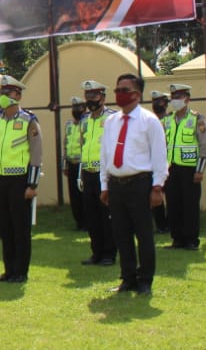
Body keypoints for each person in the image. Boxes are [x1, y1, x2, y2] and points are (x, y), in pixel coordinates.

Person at [100, 73, 168, 296]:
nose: (119, 94)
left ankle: (145, 280)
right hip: (117, 184)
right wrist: (105, 185)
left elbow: (159, 156)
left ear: (137, 95)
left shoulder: (149, 121)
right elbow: (105, 155)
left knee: (143, 234)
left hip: (140, 183)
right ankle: (127, 278)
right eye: (117, 89)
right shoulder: (111, 122)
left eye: (125, 90)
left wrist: (157, 186)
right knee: (121, 233)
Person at [0, 76, 42, 283]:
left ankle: (20, 272)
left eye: (9, 93)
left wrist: (32, 184)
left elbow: (36, 153)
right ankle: (8, 270)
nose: (4, 97)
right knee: (5, 227)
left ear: (18, 95)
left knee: (20, 228)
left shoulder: (28, 120)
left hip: (19, 180)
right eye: (3, 92)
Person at [162, 83, 206, 251]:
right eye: (173, 97)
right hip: (171, 169)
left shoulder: (196, 119)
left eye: (179, 97)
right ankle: (177, 239)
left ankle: (191, 240)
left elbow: (204, 147)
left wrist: (200, 170)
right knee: (173, 204)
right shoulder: (167, 119)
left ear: (187, 99)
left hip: (190, 169)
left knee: (190, 205)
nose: (175, 101)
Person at [78, 80, 117, 266]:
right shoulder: (85, 120)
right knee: (92, 217)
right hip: (88, 172)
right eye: (87, 96)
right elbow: (82, 145)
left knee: (107, 216)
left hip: (106, 174)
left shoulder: (112, 118)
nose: (90, 99)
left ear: (102, 97)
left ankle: (109, 253)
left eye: (94, 95)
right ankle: (96, 252)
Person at [148, 90, 170, 234]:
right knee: (156, 194)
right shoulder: (150, 121)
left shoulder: (171, 120)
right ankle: (160, 224)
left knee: (172, 196)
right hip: (153, 163)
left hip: (170, 162)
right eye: (154, 102)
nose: (157, 105)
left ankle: (172, 223)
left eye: (160, 102)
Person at [63, 97, 86, 231]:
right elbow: (65, 145)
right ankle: (79, 222)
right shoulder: (69, 125)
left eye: (79, 108)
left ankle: (87, 222)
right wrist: (64, 165)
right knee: (74, 196)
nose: (76, 111)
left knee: (83, 195)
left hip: (82, 165)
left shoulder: (86, 123)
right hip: (71, 163)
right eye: (74, 108)